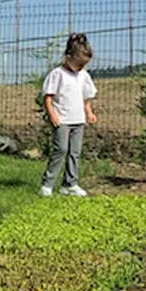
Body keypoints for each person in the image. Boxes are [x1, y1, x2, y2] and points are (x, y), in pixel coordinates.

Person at [39, 33, 99, 198]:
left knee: (75, 152)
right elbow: (48, 98)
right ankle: (47, 184)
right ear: (68, 56)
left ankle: (70, 184)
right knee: (61, 150)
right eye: (78, 64)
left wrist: (89, 112)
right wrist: (53, 116)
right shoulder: (57, 74)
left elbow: (86, 98)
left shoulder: (83, 76)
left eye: (83, 65)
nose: (80, 68)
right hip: (62, 120)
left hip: (78, 120)